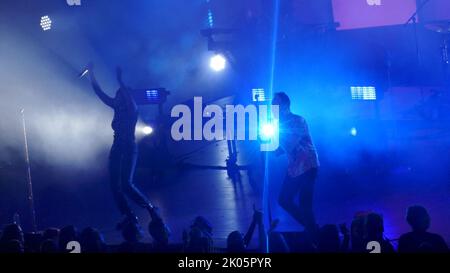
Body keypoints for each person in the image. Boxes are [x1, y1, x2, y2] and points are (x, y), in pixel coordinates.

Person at [87, 63, 164, 236]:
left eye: (120, 94)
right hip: (117, 147)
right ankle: (130, 217)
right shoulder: (117, 106)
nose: (117, 96)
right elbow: (100, 94)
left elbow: (128, 98)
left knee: (126, 184)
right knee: (115, 186)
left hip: (129, 147)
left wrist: (120, 80)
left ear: (126, 96)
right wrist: (92, 74)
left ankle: (151, 209)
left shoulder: (132, 109)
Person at [271, 92, 320, 237]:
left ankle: (314, 234)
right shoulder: (279, 125)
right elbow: (279, 151)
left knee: (305, 204)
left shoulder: (298, 120)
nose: (273, 107)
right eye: (272, 104)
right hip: (295, 168)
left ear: (285, 106)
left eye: (276, 104)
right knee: (284, 199)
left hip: (307, 166)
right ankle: (312, 228)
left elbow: (290, 144)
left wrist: (274, 141)